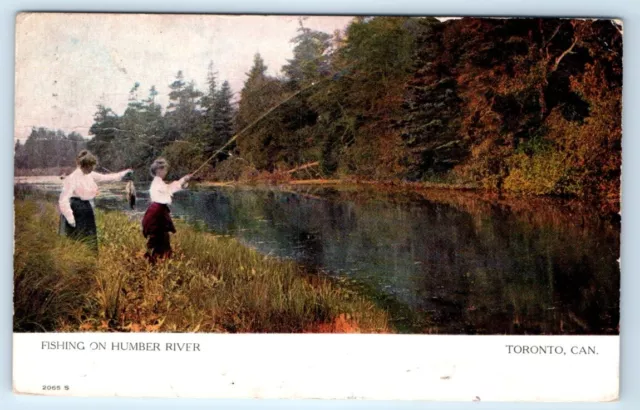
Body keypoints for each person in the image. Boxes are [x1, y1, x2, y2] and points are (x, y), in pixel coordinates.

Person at [58, 150, 133, 251]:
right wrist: (70, 218)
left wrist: (124, 174)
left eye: (92, 166)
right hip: (74, 210)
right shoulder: (72, 178)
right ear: (84, 165)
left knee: (90, 241)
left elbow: (107, 178)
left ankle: (91, 261)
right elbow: (63, 200)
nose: (92, 168)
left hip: (86, 209)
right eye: (90, 166)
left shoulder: (90, 174)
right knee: (76, 241)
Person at [142, 158, 191, 263]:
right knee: (158, 237)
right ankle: (152, 261)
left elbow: (169, 189)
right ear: (159, 170)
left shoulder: (158, 182)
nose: (166, 172)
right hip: (157, 213)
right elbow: (169, 189)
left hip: (158, 212)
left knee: (162, 237)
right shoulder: (157, 182)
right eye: (164, 170)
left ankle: (159, 260)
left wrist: (183, 182)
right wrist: (182, 180)